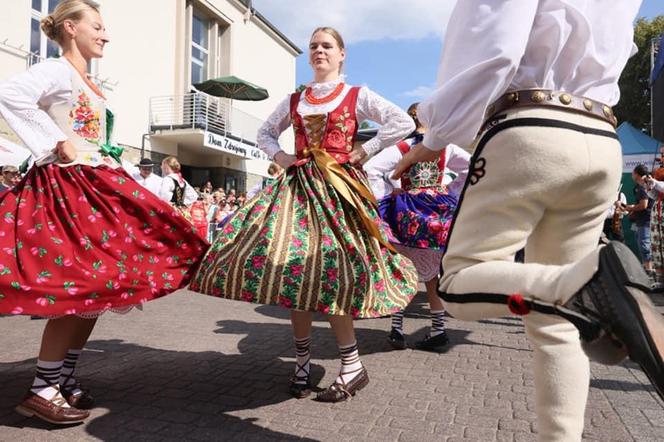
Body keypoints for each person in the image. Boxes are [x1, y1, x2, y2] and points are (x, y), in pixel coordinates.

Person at [392, 1, 663, 440]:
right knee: (556, 324)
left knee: (458, 283)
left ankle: (585, 286)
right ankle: (584, 291)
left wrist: (436, 133)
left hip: (531, 127)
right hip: (600, 135)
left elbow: (492, 46)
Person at [0, 0, 208, 425]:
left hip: (95, 188)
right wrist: (55, 143)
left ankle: (61, 377)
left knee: (99, 289)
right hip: (69, 193)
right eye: (97, 26)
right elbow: (8, 94)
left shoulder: (88, 81)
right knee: (80, 288)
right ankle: (42, 387)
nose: (105, 34)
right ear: (71, 28)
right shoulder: (57, 70)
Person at [190, 26, 418, 403]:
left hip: (338, 191)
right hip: (297, 190)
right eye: (314, 46)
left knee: (334, 275)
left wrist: (365, 151)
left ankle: (352, 365)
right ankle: (302, 362)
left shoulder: (355, 94)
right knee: (293, 274)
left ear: (342, 54)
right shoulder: (296, 98)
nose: (319, 51)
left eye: (327, 46)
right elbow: (265, 133)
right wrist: (281, 157)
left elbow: (402, 123)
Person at [364, 102, 470, 352]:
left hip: (407, 214)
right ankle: (438, 332)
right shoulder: (448, 148)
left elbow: (370, 169)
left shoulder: (402, 147)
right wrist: (451, 191)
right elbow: (474, 166)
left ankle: (397, 330)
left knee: (402, 272)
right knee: (433, 277)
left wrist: (388, 194)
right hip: (437, 215)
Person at [624, 164, 654, 276]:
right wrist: (632, 208)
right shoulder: (641, 186)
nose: (632, 174)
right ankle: (647, 268)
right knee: (642, 243)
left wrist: (631, 208)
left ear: (636, 174)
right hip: (641, 220)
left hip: (645, 221)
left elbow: (644, 205)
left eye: (633, 172)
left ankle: (649, 270)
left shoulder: (642, 187)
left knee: (644, 244)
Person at [158, 156, 198, 220]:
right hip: (182, 213)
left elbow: (162, 197)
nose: (161, 167)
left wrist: (172, 205)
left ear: (166, 166)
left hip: (170, 213)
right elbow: (194, 196)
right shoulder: (182, 180)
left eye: (162, 165)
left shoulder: (167, 179)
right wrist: (183, 204)